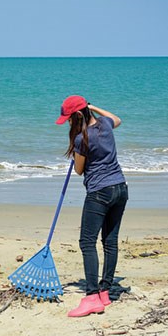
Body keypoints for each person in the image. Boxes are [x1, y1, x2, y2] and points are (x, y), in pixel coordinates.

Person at [56, 95, 128, 317]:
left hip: (99, 193)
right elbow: (117, 118)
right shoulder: (105, 125)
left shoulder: (81, 139)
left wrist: (78, 152)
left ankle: (91, 297)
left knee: (87, 242)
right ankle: (105, 292)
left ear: (77, 116)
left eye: (69, 118)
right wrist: (92, 107)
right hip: (120, 188)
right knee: (109, 241)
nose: (67, 122)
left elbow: (79, 170)